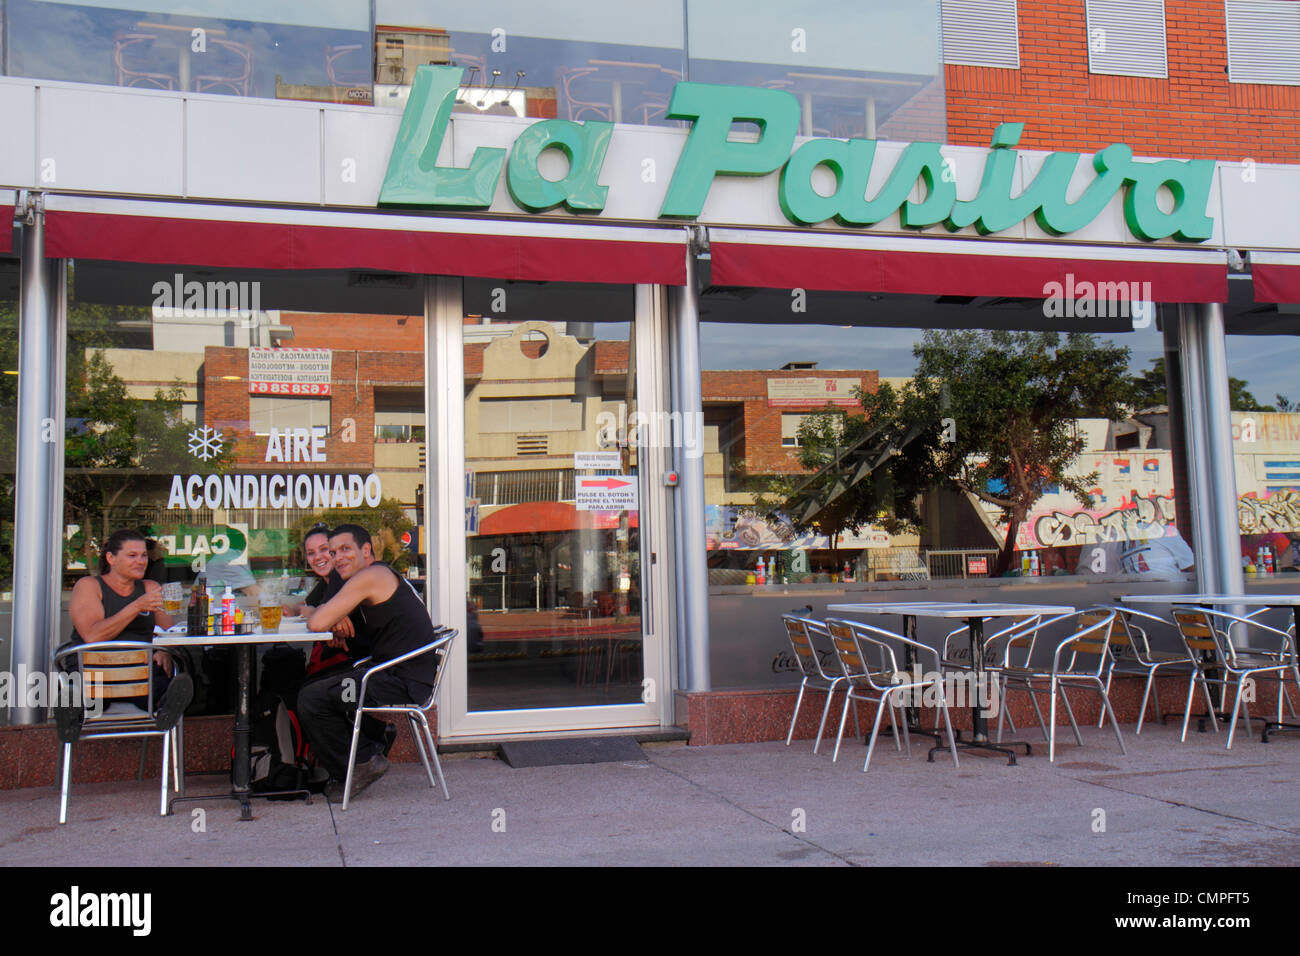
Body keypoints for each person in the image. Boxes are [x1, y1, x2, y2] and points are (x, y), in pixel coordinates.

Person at [299, 524, 441, 801]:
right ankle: (375, 738)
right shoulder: (370, 575)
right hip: (390, 671)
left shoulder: (373, 575)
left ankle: (362, 762)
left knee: (311, 698)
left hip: (402, 681)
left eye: (345, 549)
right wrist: (332, 615)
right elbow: (325, 617)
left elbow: (317, 622)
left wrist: (326, 615)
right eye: (334, 551)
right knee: (313, 683)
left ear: (366, 550)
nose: (338, 557)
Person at [59, 529, 193, 740]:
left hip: (138, 674)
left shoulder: (150, 587)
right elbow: (93, 636)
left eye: (143, 556)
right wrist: (137, 606)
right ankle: (71, 714)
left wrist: (164, 649)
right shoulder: (89, 586)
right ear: (111, 558)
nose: (140, 561)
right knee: (86, 694)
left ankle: (167, 712)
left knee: (171, 680)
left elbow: (169, 633)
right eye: (132, 556)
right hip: (94, 673)